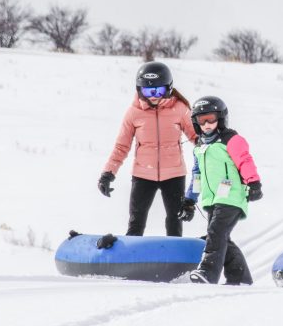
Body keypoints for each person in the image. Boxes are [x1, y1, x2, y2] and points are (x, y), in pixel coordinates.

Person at [98, 62, 198, 236]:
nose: (153, 96)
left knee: (175, 221)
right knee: (136, 221)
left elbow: (197, 138)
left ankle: (174, 260)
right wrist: (108, 173)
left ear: (168, 88)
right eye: (147, 91)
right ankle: (130, 259)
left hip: (174, 175)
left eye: (158, 91)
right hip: (143, 175)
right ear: (139, 90)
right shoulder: (133, 112)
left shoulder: (180, 109)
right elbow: (122, 146)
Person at [181, 96, 263, 285]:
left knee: (216, 233)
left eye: (211, 119)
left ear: (221, 118)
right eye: (202, 120)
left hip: (232, 195)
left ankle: (207, 273)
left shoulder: (231, 139)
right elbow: (197, 175)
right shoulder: (200, 146)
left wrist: (254, 183)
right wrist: (189, 200)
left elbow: (245, 160)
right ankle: (240, 278)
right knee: (219, 236)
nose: (207, 124)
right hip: (212, 199)